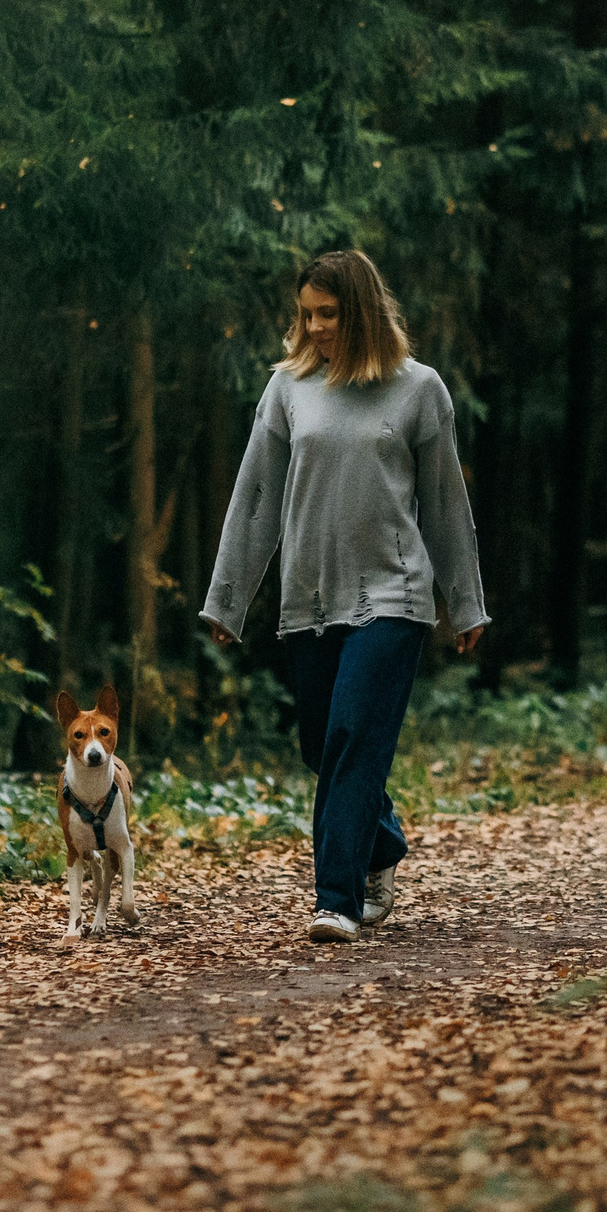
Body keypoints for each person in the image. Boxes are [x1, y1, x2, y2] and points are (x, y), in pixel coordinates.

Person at [200, 249, 489, 942]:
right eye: (307, 314)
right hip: (308, 596)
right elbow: (255, 499)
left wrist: (466, 601)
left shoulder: (419, 390)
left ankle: (336, 896)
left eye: (328, 313)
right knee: (320, 744)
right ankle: (380, 844)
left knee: (354, 736)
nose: (316, 326)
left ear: (358, 312)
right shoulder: (288, 388)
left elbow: (448, 504)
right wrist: (228, 598)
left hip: (395, 594)